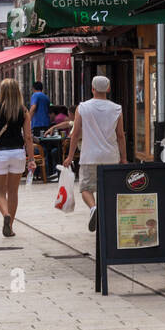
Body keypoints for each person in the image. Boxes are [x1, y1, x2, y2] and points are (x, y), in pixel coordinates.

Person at [64, 75, 127, 232]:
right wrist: (124, 157)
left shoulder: (83, 108)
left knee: (86, 188)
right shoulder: (117, 109)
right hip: (111, 156)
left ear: (92, 89)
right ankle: (106, 220)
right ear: (108, 88)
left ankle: (93, 208)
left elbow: (76, 133)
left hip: (89, 156)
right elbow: (120, 135)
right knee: (108, 188)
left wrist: (70, 156)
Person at [0, 78, 35, 237]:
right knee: (13, 192)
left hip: (0, 154)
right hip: (18, 153)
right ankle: (10, 227)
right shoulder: (24, 111)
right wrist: (31, 159)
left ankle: (5, 214)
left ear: (2, 92)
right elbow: (28, 137)